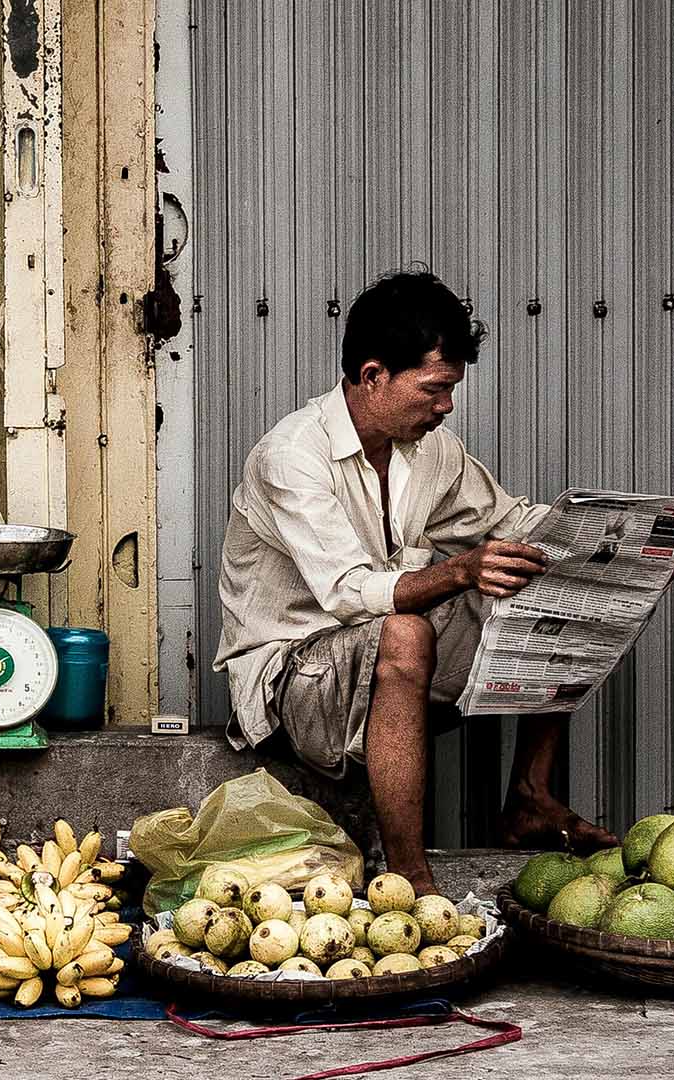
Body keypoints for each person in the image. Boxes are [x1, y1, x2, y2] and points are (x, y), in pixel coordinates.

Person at [213, 268, 617, 895]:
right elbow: (350, 593)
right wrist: (459, 569)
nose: (447, 405)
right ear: (373, 376)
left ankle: (531, 797)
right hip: (293, 680)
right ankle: (410, 876)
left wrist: (612, 536)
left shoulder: (431, 449)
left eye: (451, 389)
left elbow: (510, 522)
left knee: (539, 577)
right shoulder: (291, 455)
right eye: (434, 388)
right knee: (404, 632)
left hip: (383, 662)